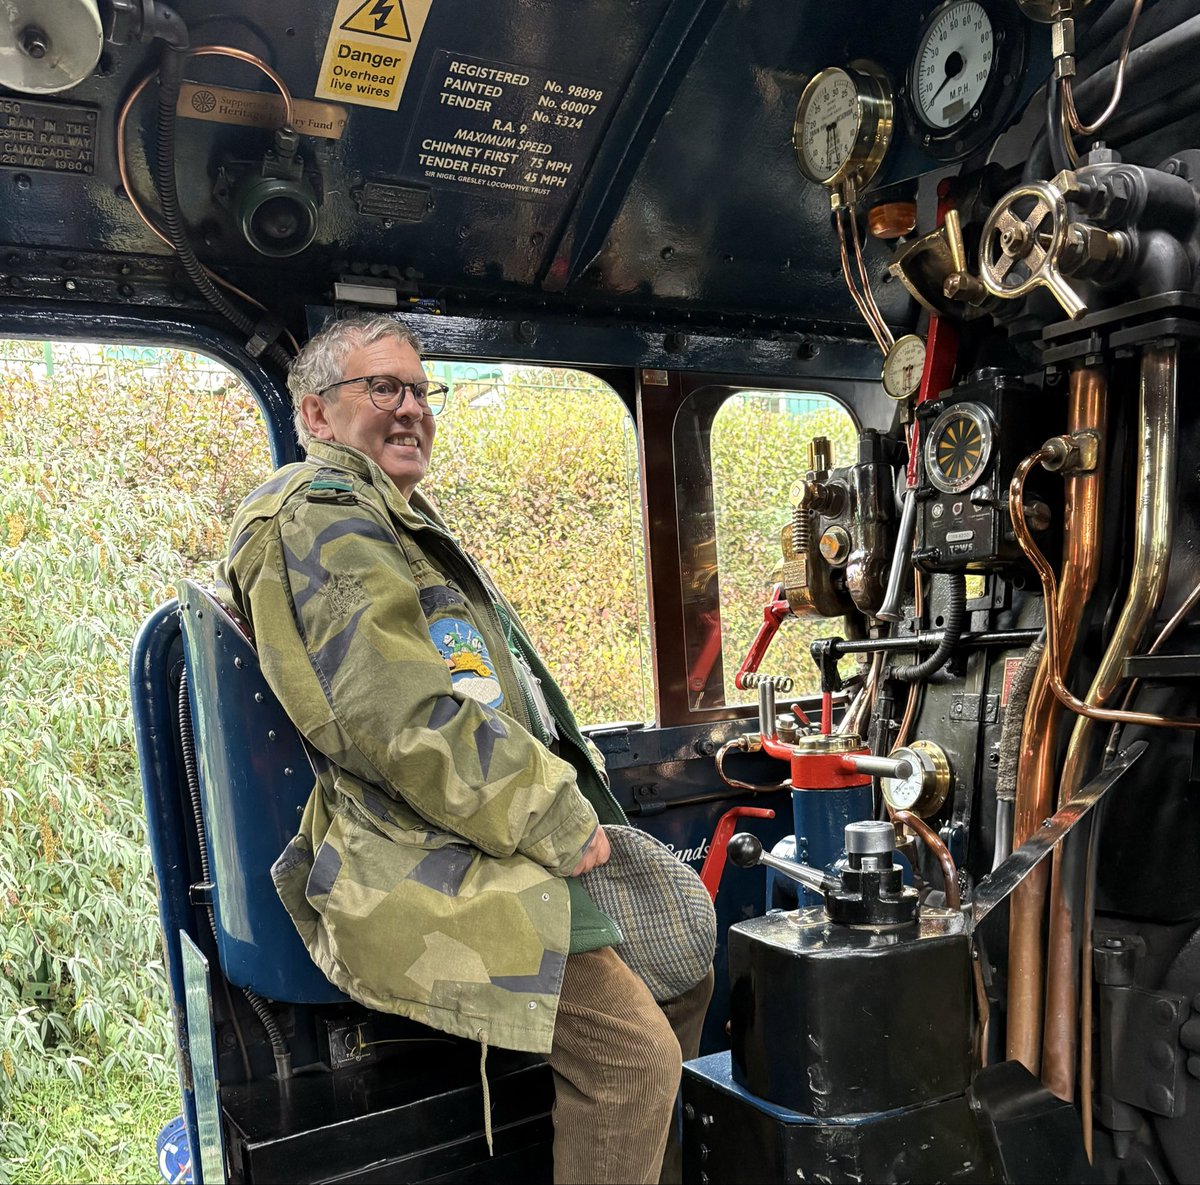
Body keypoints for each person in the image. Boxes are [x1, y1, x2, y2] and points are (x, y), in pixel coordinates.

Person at [217, 313, 713, 1184]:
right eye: (383, 388)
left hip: (466, 830)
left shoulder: (389, 516)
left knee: (683, 961)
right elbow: (399, 718)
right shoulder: (319, 518)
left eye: (420, 389)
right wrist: (554, 811)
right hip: (409, 851)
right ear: (316, 415)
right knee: (633, 1056)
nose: (410, 409)